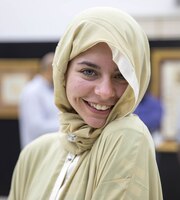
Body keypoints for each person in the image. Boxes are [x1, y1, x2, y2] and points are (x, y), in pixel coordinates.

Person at [8, 7, 163, 199]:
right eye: (89, 72)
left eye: (121, 76)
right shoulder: (34, 155)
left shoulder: (127, 135)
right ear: (63, 71)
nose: (105, 92)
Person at [18, 52, 60, 148]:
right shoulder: (32, 91)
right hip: (37, 152)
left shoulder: (51, 89)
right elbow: (36, 127)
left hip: (50, 150)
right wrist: (68, 125)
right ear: (51, 69)